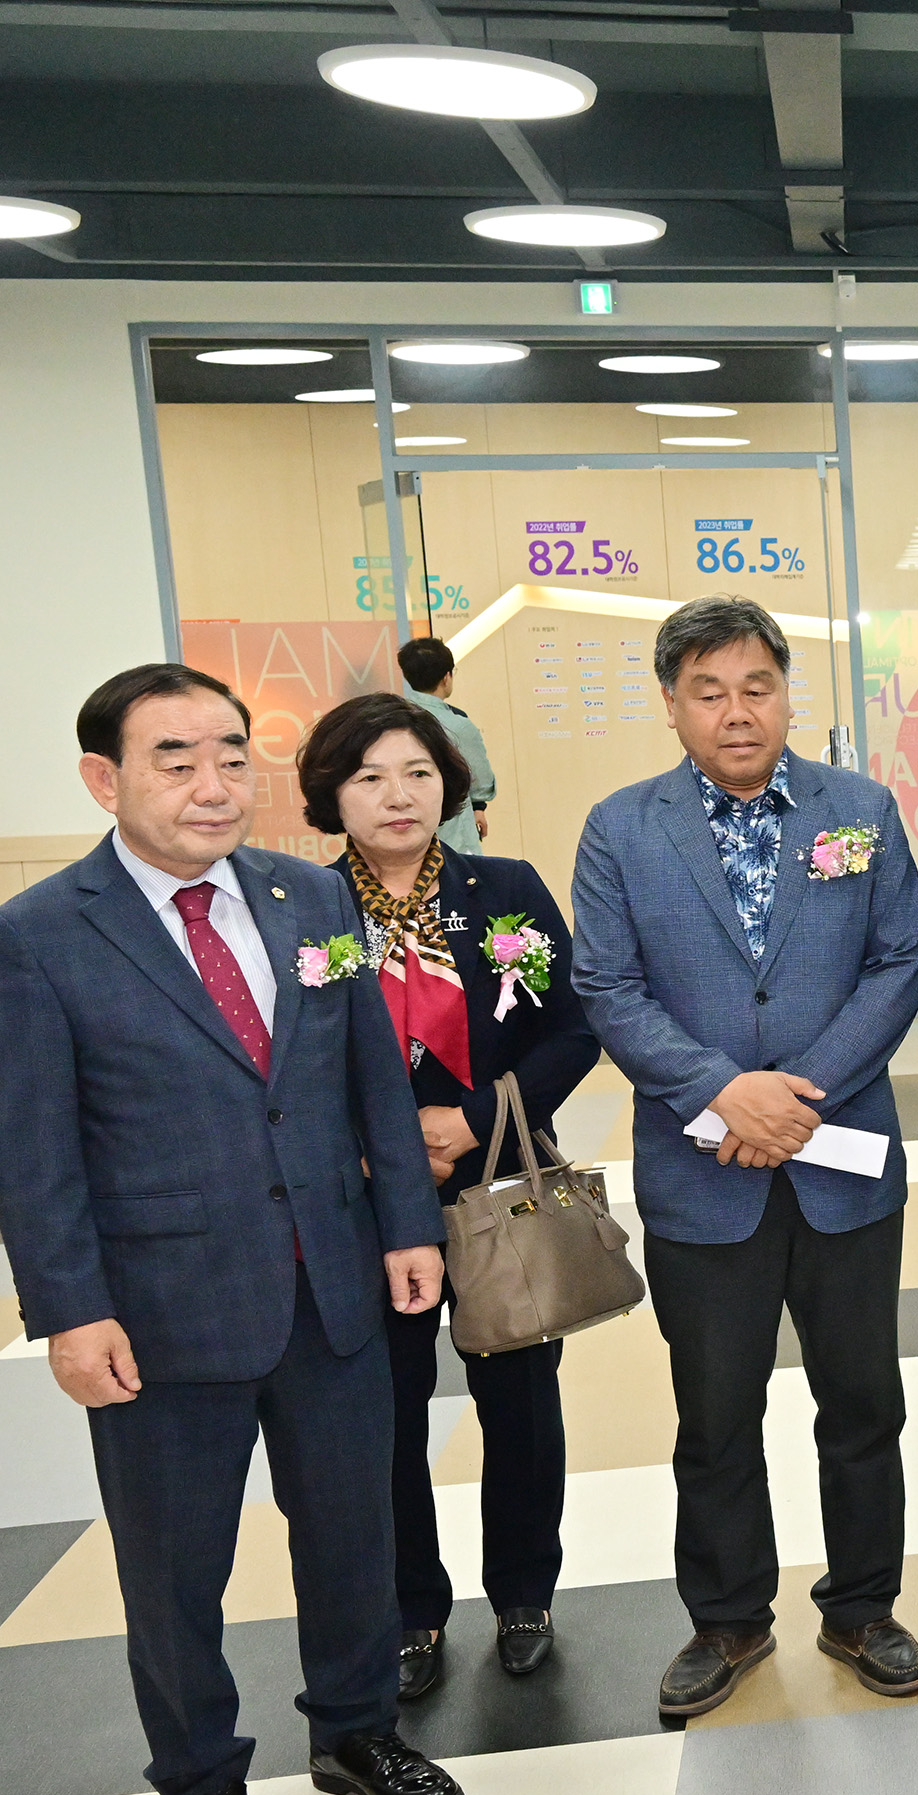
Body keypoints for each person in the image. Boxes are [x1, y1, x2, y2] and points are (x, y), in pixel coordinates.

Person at [0, 663, 462, 1795]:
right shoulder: (37, 935)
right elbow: (34, 1154)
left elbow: (370, 1088)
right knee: (173, 1564)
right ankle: (201, 1783)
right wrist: (70, 1312)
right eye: (175, 758)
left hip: (333, 1285)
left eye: (232, 754)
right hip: (159, 1310)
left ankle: (355, 1728)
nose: (213, 782)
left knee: (355, 1529)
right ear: (106, 779)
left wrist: (407, 1224)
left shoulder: (310, 897)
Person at [572, 594, 918, 1718]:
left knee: (863, 1399)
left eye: (757, 687)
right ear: (672, 704)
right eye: (709, 693)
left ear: (788, 691)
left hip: (841, 1159)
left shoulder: (859, 807)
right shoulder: (621, 828)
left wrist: (798, 1093)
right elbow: (606, 986)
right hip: (700, 1170)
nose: (737, 712)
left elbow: (896, 959)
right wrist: (723, 1089)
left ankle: (864, 1604)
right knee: (716, 1410)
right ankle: (727, 1618)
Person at [299, 692, 598, 1695]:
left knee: (517, 1396)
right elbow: (284, 1061)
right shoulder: (302, 908)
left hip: (497, 1174)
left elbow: (572, 1028)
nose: (398, 795)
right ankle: (409, 1610)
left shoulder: (501, 888)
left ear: (450, 784)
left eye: (418, 773)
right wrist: (374, 1141)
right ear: (331, 792)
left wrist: (471, 1119)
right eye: (370, 776)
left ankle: (524, 1592)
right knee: (380, 1408)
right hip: (358, 1192)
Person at [397, 635, 497, 855]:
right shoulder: (458, 725)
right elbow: (481, 781)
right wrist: (479, 805)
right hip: (453, 834)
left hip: (403, 826)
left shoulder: (392, 718)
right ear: (446, 678)